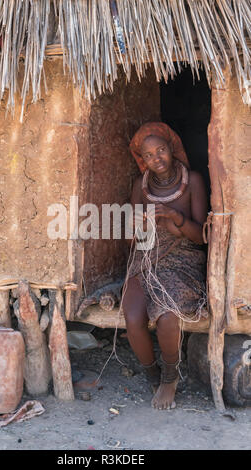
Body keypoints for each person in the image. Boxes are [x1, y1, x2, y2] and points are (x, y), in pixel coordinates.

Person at [122, 122, 208, 410]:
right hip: (146, 258)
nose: (156, 158)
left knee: (168, 315)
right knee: (133, 319)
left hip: (183, 258)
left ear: (172, 149)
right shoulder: (140, 186)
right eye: (148, 155)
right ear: (142, 160)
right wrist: (143, 226)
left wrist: (176, 219)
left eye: (161, 151)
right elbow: (133, 237)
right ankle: (152, 374)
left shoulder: (193, 180)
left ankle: (170, 378)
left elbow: (202, 238)